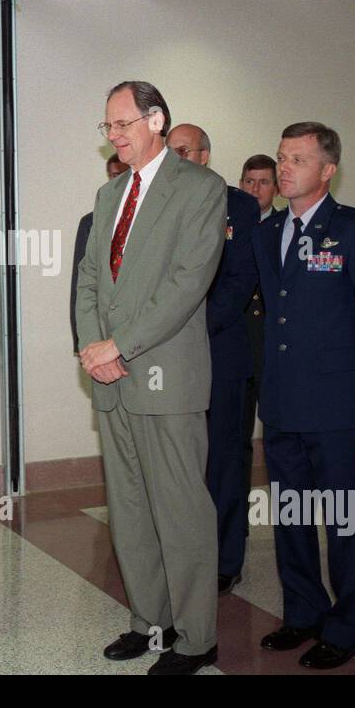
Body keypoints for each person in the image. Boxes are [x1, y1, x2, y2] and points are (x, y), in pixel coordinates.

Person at [76, 81, 226, 675]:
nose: (113, 136)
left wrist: (121, 344)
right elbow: (90, 280)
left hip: (167, 377)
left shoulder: (201, 189)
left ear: (156, 120)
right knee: (130, 509)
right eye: (107, 127)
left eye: (122, 124)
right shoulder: (110, 193)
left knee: (181, 511)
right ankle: (149, 621)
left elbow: (188, 283)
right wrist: (94, 349)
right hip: (111, 380)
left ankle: (196, 638)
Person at [252, 122, 355, 669]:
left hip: (337, 409)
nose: (285, 169)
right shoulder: (267, 230)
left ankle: (349, 628)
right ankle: (303, 612)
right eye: (282, 158)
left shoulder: (354, 231)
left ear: (327, 170)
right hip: (281, 404)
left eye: (298, 159)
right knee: (292, 516)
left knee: (344, 522)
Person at [168, 123, 260, 594]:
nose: (176, 157)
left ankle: (226, 557)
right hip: (168, 359)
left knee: (224, 461)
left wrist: (183, 329)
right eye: (170, 150)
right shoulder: (160, 204)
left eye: (184, 150)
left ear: (205, 156)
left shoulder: (239, 207)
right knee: (178, 463)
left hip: (219, 353)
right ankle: (183, 554)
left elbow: (238, 284)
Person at [239, 153, 277, 469]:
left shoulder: (284, 228)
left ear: (275, 188)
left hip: (272, 346)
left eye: (264, 182)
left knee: (277, 436)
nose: (255, 189)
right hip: (237, 346)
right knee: (235, 438)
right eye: (249, 181)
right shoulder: (226, 227)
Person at [71, 154, 130, 353]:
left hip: (140, 334)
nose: (117, 181)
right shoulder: (91, 222)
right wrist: (83, 343)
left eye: (122, 174)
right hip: (102, 333)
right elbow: (82, 284)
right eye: (113, 176)